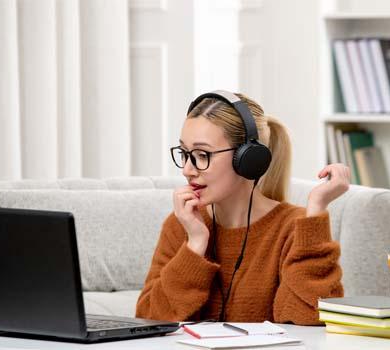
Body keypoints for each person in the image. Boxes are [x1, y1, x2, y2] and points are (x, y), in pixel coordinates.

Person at [136, 91, 350, 325]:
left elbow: (309, 323)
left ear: (247, 159)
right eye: (185, 154)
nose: (187, 169)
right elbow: (148, 322)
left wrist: (316, 211)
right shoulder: (182, 224)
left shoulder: (294, 228)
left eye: (202, 154)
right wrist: (195, 245)